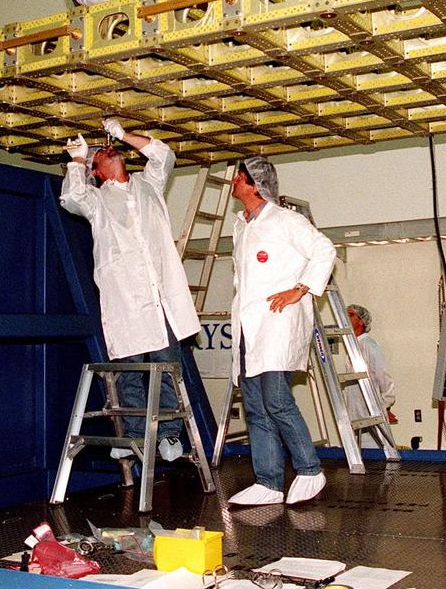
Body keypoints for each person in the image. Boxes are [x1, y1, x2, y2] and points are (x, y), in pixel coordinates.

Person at [59, 118, 200, 463]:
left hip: (162, 299)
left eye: (112, 148)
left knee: (167, 369)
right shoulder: (97, 202)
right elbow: (71, 197)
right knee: (131, 374)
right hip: (126, 303)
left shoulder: (149, 186)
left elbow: (163, 155)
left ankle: (169, 435)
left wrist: (123, 134)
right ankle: (134, 436)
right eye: (101, 155)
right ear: (100, 172)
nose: (110, 150)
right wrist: (78, 161)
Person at [226, 156, 337, 507]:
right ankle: (269, 482)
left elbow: (324, 250)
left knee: (276, 399)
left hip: (278, 322)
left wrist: (300, 289)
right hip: (249, 326)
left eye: (239, 178)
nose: (233, 183)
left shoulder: (287, 220)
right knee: (256, 406)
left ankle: (309, 470)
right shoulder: (240, 225)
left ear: (254, 185)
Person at [344, 304, 398, 450]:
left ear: (362, 321)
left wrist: (384, 405)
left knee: (377, 452)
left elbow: (384, 377)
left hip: (371, 411)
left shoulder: (369, 345)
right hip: (356, 410)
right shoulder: (353, 346)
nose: (345, 317)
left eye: (350, 315)